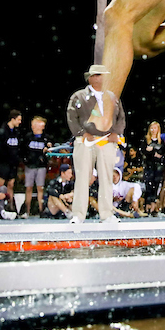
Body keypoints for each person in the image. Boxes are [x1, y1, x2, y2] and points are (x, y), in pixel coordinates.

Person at [66, 63, 126, 224]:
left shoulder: (112, 97)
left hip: (106, 141)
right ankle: (78, 215)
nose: (103, 78)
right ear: (91, 78)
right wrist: (82, 133)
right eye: (100, 75)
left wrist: (116, 133)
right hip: (85, 141)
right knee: (82, 178)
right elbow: (72, 118)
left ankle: (106, 214)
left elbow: (121, 117)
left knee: (107, 177)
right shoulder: (78, 96)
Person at [0, 110, 23, 208]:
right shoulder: (2, 132)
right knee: (0, 186)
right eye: (18, 120)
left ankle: (10, 207)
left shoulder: (16, 132)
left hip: (13, 163)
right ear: (13, 119)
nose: (20, 122)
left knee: (11, 185)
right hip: (3, 163)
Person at [20, 116, 51, 218]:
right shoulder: (28, 137)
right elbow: (23, 150)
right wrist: (26, 160)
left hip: (41, 166)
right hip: (30, 166)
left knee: (40, 188)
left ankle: (41, 210)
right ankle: (27, 211)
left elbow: (50, 150)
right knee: (28, 188)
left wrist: (48, 150)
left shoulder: (46, 138)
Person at [141, 121, 165, 215]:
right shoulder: (146, 140)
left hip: (158, 167)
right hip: (149, 165)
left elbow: (163, 152)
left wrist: (156, 153)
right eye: (152, 128)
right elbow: (144, 151)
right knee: (148, 185)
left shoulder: (161, 141)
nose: (153, 130)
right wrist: (152, 153)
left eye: (155, 128)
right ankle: (147, 205)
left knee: (156, 186)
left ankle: (153, 205)